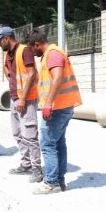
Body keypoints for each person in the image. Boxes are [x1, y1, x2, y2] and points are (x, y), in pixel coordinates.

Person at [27, 29, 82, 194]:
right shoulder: (53, 53)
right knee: (58, 143)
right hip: (62, 106)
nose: (32, 53)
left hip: (57, 107)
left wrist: (48, 104)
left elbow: (57, 78)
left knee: (48, 144)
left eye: (31, 49)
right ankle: (59, 180)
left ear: (37, 44)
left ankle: (52, 183)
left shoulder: (52, 54)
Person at [0, 26, 42, 181]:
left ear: (7, 38)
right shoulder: (9, 55)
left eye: (0, 41)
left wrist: (23, 98)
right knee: (17, 133)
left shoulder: (24, 51)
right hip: (15, 99)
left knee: (30, 135)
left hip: (26, 100)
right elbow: (8, 71)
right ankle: (26, 164)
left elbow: (32, 74)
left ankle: (37, 169)